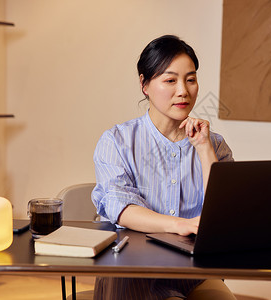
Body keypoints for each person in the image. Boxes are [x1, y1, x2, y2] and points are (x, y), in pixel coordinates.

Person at [92, 35, 235, 300]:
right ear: (144, 84)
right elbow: (121, 209)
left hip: (195, 274)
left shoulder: (215, 145)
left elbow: (225, 213)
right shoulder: (117, 141)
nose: (183, 90)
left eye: (190, 79)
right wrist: (180, 224)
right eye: (170, 80)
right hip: (132, 273)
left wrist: (204, 149)